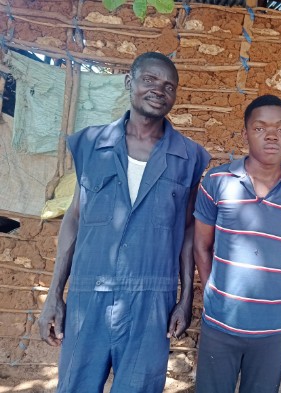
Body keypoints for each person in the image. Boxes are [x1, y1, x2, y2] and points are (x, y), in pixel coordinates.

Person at [38, 52, 210, 393]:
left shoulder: (189, 156)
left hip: (152, 300)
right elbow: (75, 218)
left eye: (169, 86)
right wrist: (54, 294)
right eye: (149, 80)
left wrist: (185, 296)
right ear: (129, 82)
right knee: (75, 386)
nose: (159, 90)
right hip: (89, 293)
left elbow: (188, 231)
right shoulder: (91, 143)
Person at [193, 94, 281, 393]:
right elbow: (201, 245)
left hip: (272, 327)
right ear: (245, 132)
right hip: (220, 324)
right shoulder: (217, 180)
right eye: (260, 128)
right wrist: (214, 294)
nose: (272, 135)